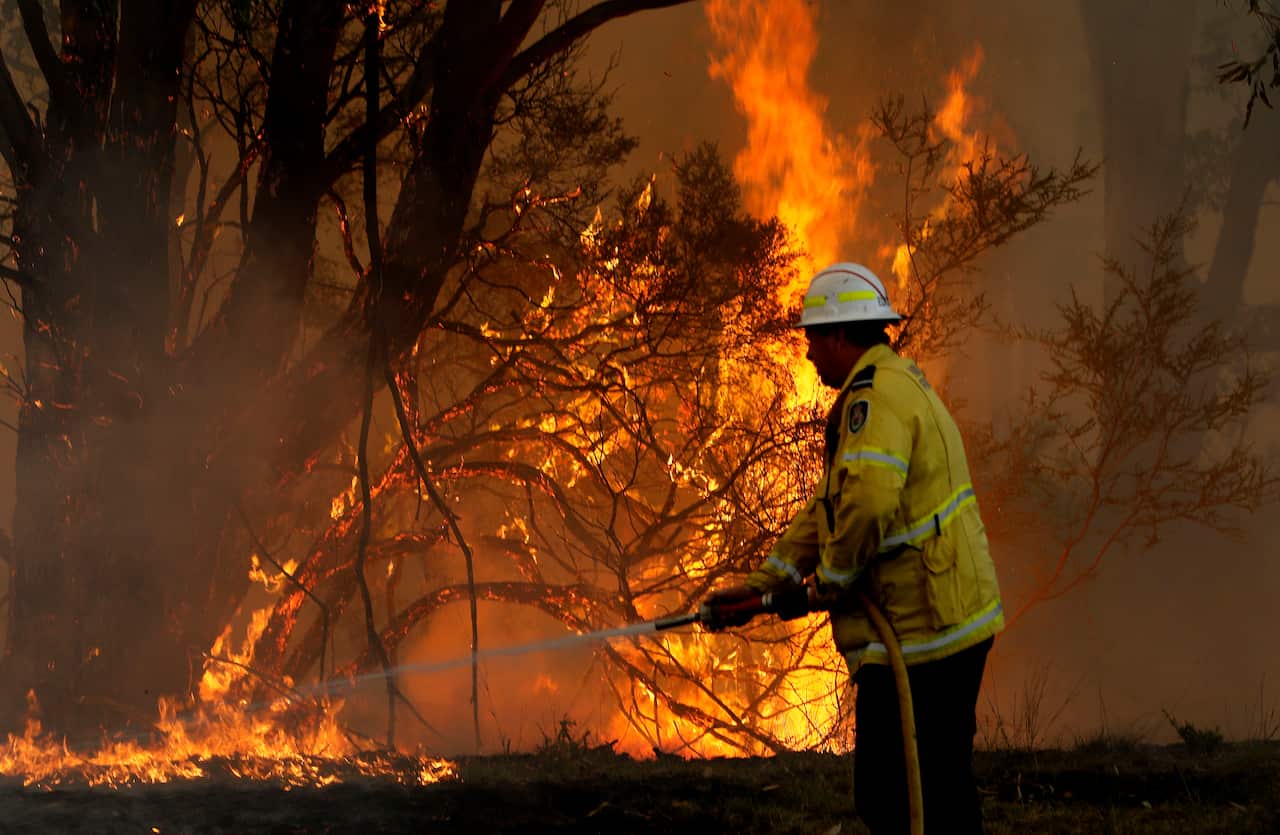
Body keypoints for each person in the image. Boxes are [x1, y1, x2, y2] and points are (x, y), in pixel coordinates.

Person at [704, 262, 1003, 834]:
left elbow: (867, 504)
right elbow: (829, 510)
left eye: (813, 337)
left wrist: (831, 581)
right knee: (925, 793)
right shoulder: (889, 384)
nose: (809, 352)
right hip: (934, 621)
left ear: (841, 334)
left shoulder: (875, 400)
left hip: (929, 631)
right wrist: (762, 588)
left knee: (905, 797)